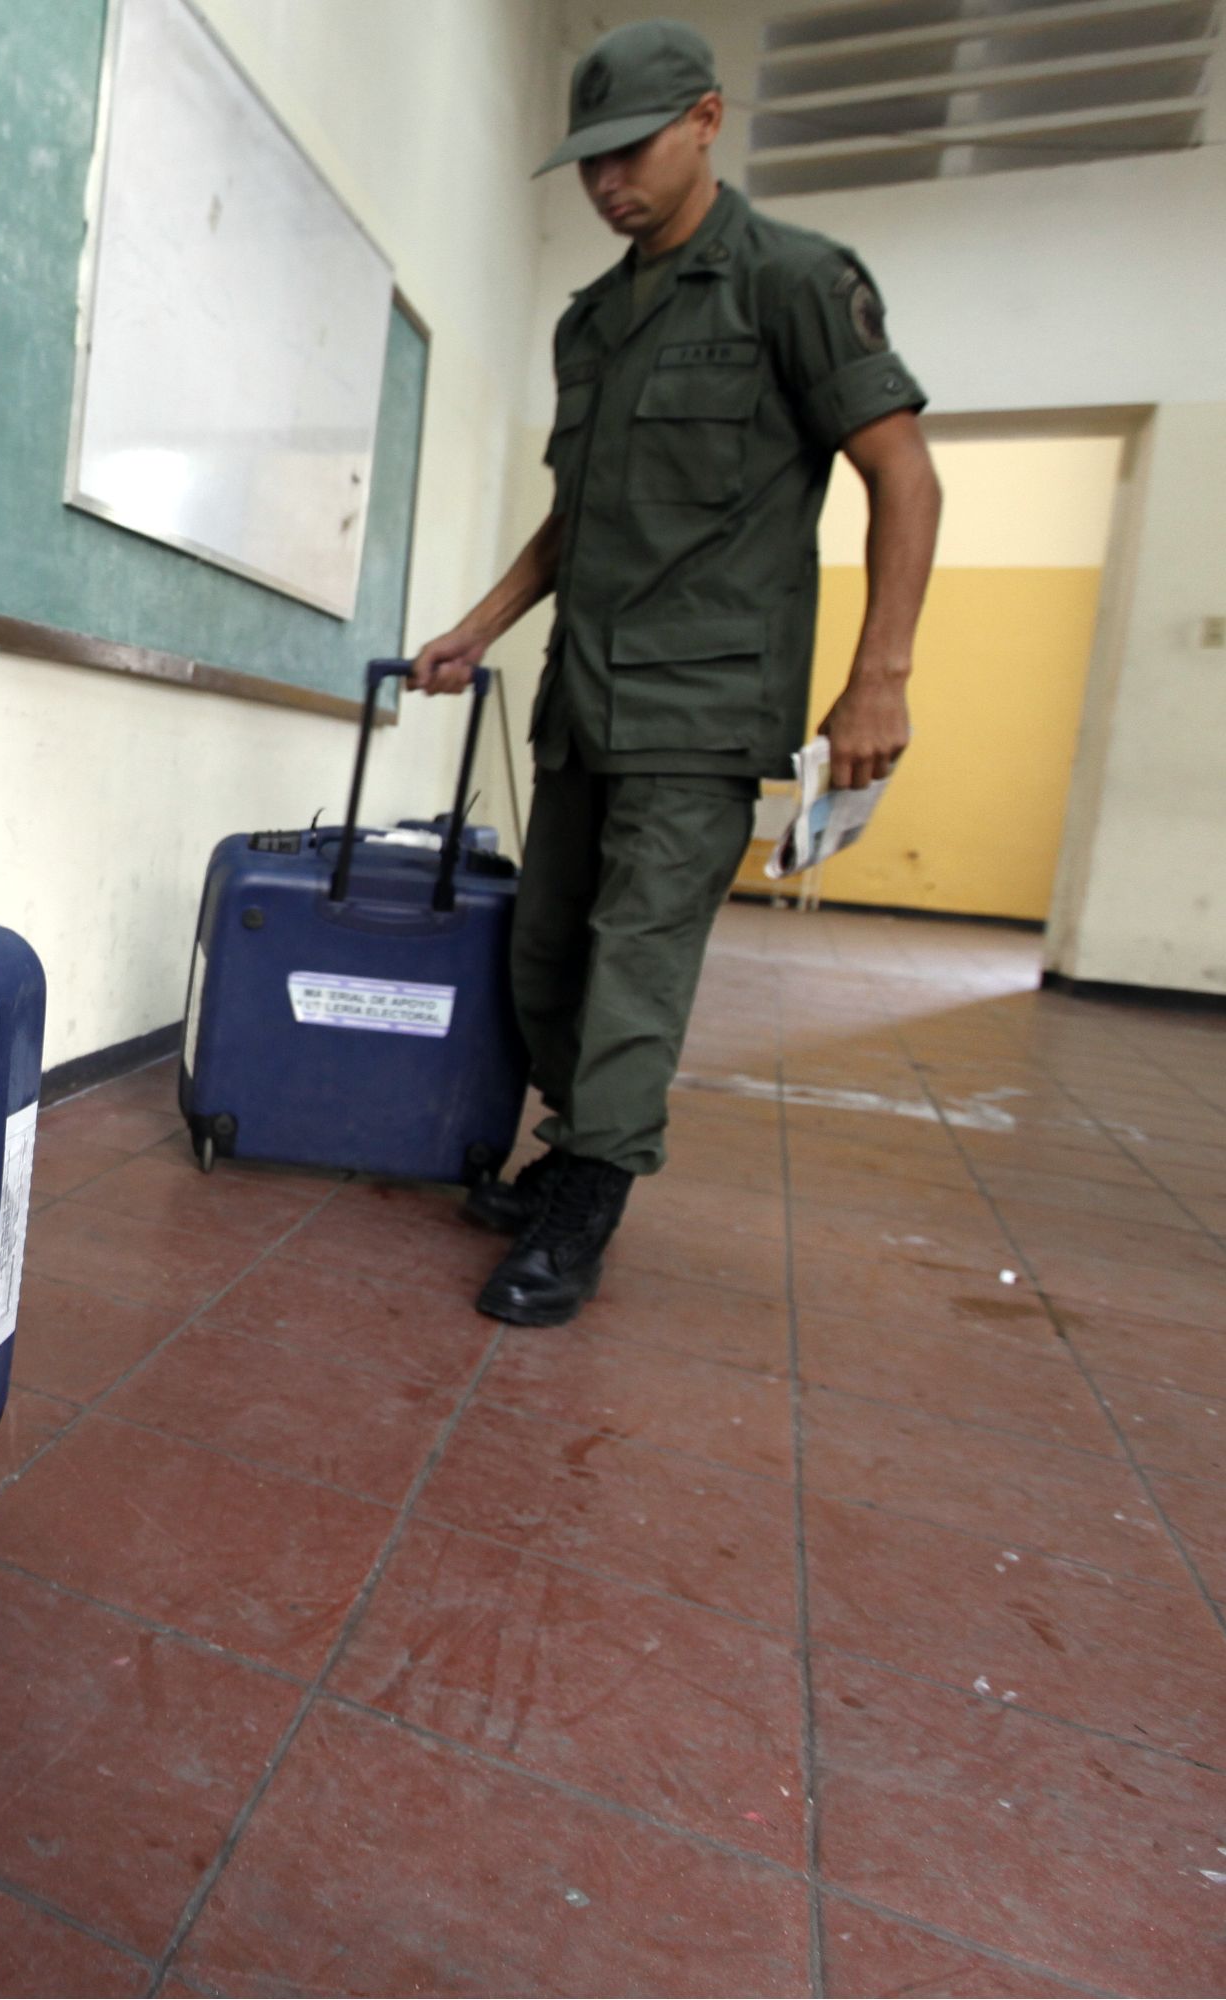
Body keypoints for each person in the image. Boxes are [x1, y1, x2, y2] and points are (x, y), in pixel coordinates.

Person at [410, 19, 940, 1327]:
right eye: (586, 163)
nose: (605, 184)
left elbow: (902, 476)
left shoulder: (794, 281)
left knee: (637, 957)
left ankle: (588, 1195)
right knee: (547, 955)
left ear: (706, 120)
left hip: (703, 700)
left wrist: (883, 674)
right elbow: (572, 521)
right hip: (584, 695)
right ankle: (570, 1144)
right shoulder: (591, 321)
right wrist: (483, 624)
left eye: (629, 151)